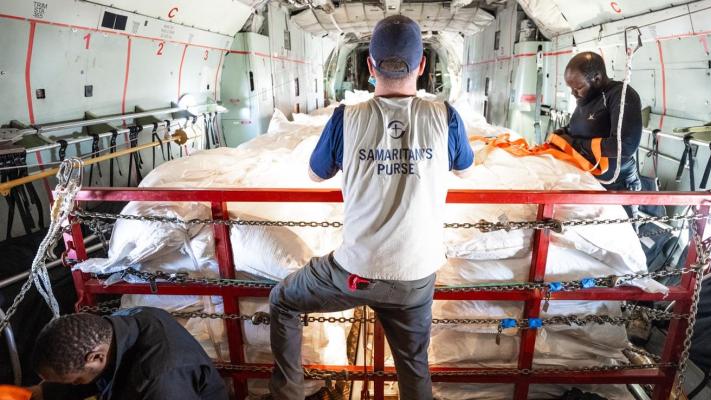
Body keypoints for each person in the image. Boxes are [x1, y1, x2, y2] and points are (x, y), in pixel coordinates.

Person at [268, 15, 473, 400]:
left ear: (369, 65)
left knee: (283, 300)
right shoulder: (446, 116)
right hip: (415, 276)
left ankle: (289, 391)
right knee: (414, 366)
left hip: (352, 272)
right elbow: (464, 169)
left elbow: (316, 175)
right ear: (424, 66)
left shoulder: (347, 116)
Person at [29, 307, 227, 400]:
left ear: (96, 357)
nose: (75, 384)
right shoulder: (111, 329)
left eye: (76, 380)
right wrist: (40, 393)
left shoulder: (160, 381)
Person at [551, 51, 643, 216]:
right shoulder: (587, 96)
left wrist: (575, 144)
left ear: (597, 78)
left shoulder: (621, 95)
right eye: (571, 88)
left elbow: (625, 146)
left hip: (616, 184)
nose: (573, 93)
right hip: (591, 179)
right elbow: (586, 126)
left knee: (623, 236)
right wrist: (565, 132)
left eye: (578, 88)